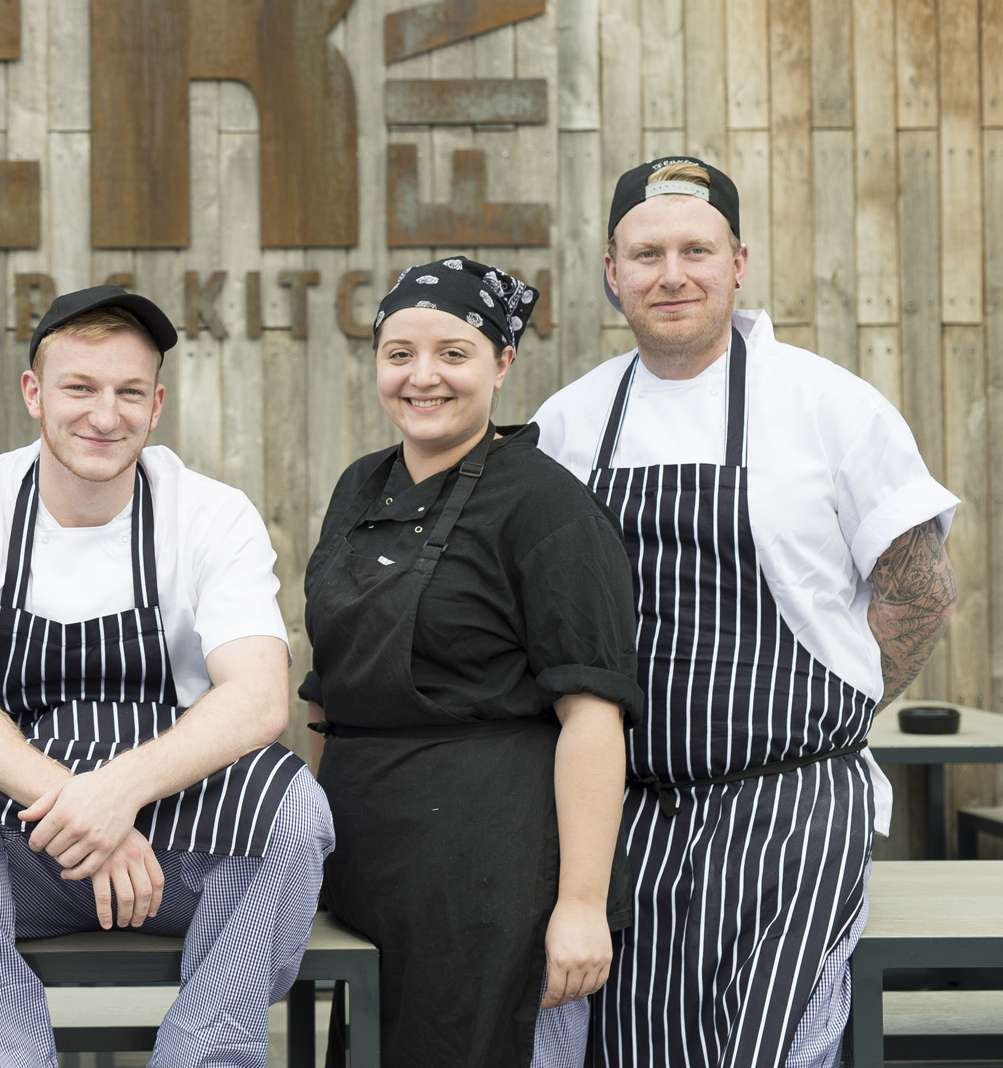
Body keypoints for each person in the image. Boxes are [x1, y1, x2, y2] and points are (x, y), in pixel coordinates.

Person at [532, 158, 960, 1067]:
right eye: (647, 254)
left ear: (739, 262)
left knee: (767, 1042)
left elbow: (922, 589)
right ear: (612, 271)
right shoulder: (569, 424)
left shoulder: (831, 406)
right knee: (623, 1038)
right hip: (626, 808)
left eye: (697, 248)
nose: (672, 273)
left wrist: (823, 708)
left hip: (792, 798)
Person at [0, 284, 335, 1068]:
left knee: (293, 813)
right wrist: (80, 807)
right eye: (79, 388)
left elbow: (257, 696)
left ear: (156, 406)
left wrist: (121, 793)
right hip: (18, 853)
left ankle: (206, 1057)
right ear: (34, 393)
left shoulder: (211, 513)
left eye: (127, 393)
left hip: (173, 845)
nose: (103, 415)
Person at [299, 258, 641, 1068]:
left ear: (502, 363)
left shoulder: (545, 503)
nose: (423, 376)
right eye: (399, 352)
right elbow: (328, 691)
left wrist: (583, 906)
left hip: (493, 867)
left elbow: (593, 714)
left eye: (453, 352)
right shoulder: (359, 486)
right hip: (366, 857)